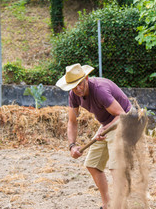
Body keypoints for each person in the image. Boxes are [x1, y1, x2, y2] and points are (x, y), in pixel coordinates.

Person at [56, 63, 132, 209]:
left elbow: (122, 114)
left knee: (116, 167)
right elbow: (72, 122)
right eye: (73, 86)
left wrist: (102, 131)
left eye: (80, 84)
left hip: (125, 120)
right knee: (92, 164)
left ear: (86, 78)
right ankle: (107, 204)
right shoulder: (74, 95)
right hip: (107, 123)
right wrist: (72, 145)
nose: (78, 89)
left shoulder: (99, 90)